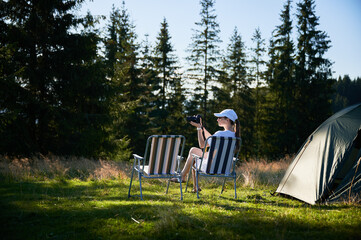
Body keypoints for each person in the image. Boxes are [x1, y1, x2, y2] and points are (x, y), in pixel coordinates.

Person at [172, 109, 240, 193]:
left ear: (227, 120)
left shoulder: (219, 134)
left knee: (193, 153)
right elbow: (212, 139)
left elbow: (202, 145)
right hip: (225, 169)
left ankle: (183, 177)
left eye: (219, 118)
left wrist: (199, 129)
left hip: (210, 168)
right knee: (194, 152)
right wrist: (202, 127)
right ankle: (189, 182)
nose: (217, 119)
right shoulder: (235, 136)